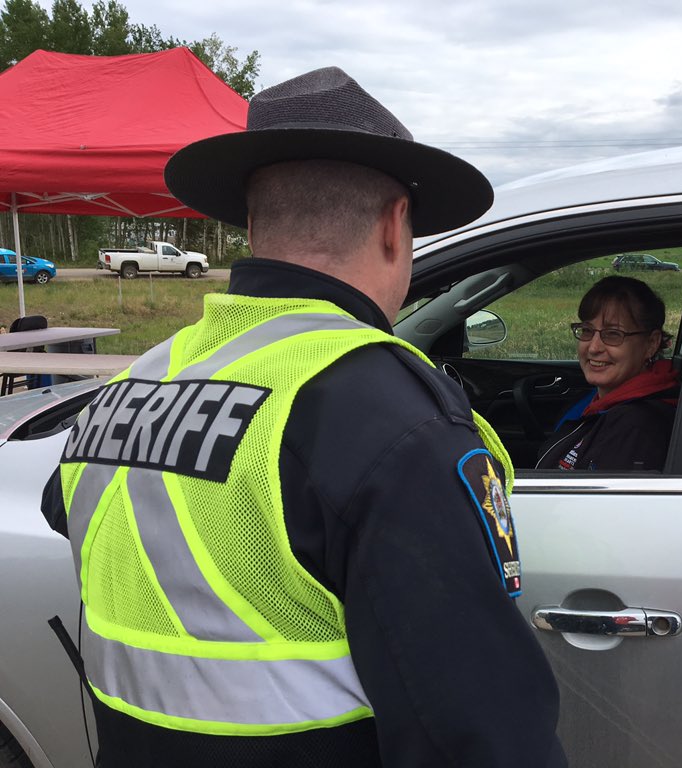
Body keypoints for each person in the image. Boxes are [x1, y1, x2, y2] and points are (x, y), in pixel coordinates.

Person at [39, 67, 566, 768]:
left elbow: (65, 509)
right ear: (394, 225)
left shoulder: (134, 382)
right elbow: (476, 733)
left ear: (253, 225)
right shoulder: (386, 413)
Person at [536, 275, 680, 471]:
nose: (594, 347)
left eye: (613, 334)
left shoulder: (637, 428)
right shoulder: (602, 402)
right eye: (587, 330)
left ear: (651, 344)